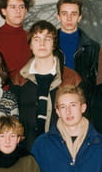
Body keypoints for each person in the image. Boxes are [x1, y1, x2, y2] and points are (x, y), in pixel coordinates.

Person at [10, 20, 83, 149]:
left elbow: (81, 118)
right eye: (36, 39)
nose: (42, 44)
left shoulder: (71, 78)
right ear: (30, 45)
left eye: (47, 39)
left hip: (61, 149)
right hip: (26, 150)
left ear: (54, 44)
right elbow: (12, 119)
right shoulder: (19, 78)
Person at [55, 0, 99, 91]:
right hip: (55, 97)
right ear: (58, 17)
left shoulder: (93, 47)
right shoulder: (48, 45)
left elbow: (97, 82)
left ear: (79, 17)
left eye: (74, 14)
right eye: (64, 13)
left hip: (83, 96)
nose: (69, 18)